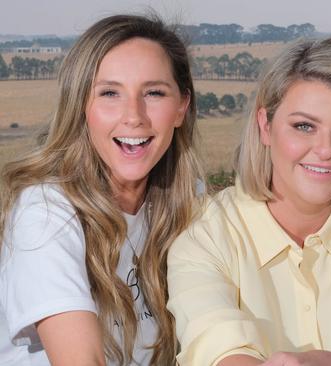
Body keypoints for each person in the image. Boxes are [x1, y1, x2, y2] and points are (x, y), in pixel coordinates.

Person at [167, 36, 331, 366]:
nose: (326, 149)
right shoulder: (204, 233)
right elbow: (216, 344)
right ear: (265, 127)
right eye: (304, 126)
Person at [0, 14, 204, 365]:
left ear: (181, 107)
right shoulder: (47, 211)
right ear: (81, 106)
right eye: (110, 93)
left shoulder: (192, 202)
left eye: (154, 92)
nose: (133, 116)